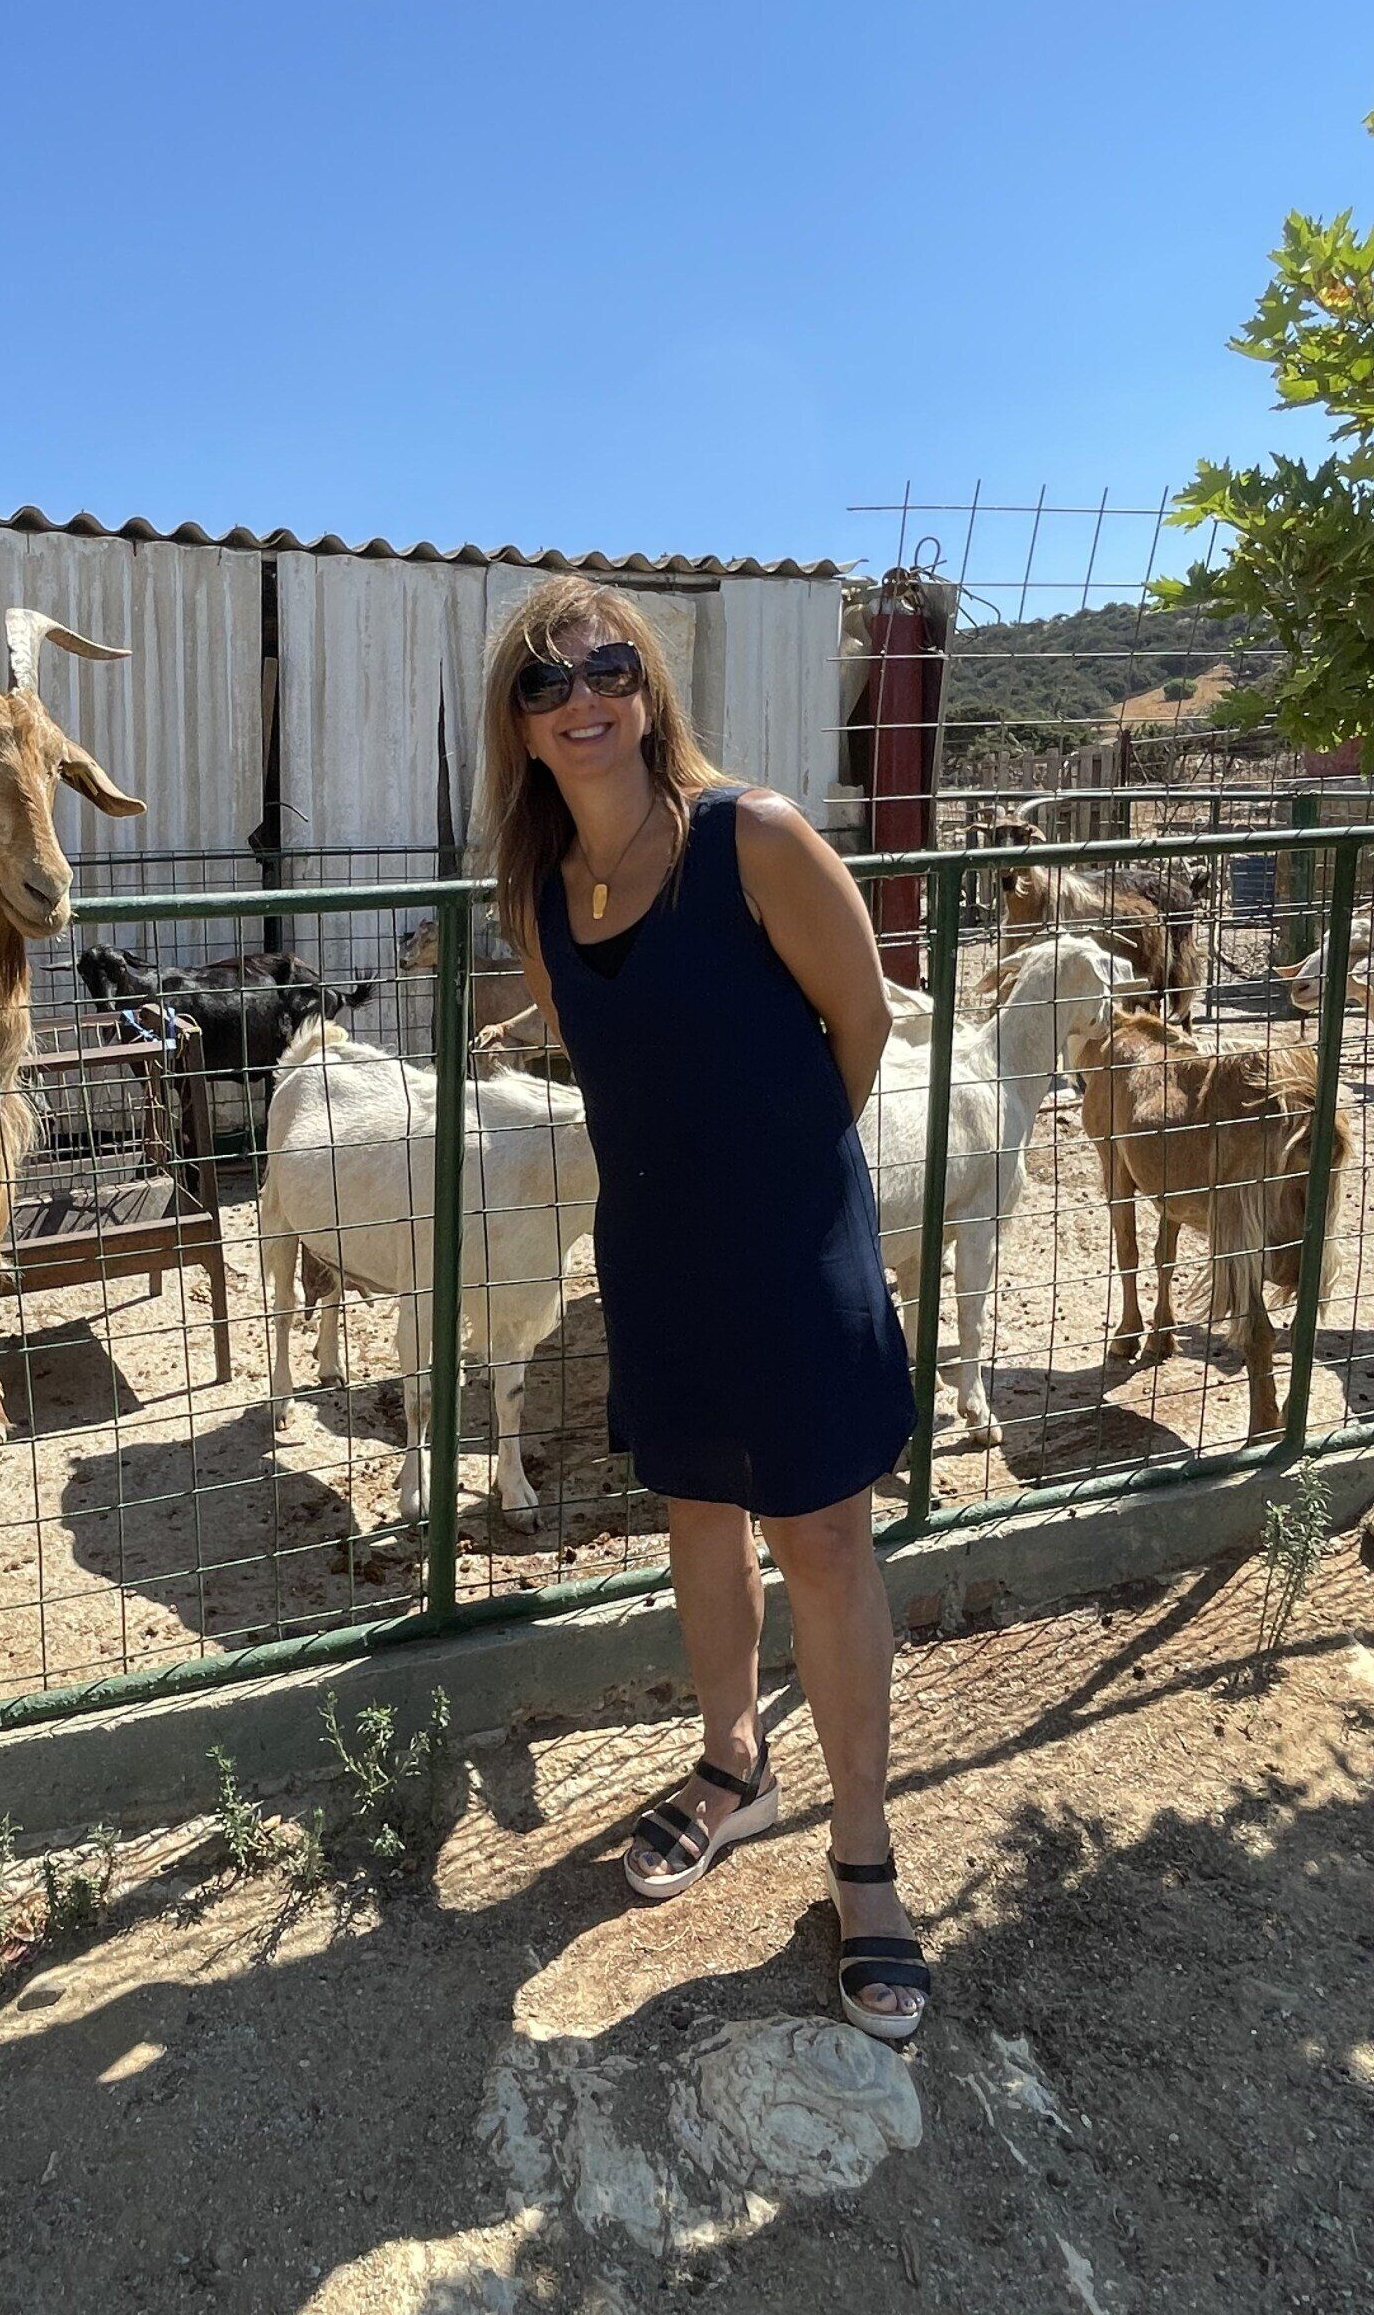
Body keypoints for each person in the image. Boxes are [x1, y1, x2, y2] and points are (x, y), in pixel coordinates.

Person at [483, 574, 929, 2039]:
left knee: (821, 1527)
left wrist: (787, 1179)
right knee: (694, 1507)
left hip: (792, 1232)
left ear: (649, 687)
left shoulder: (756, 837)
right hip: (656, 1250)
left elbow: (859, 1022)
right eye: (547, 685)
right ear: (523, 730)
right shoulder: (544, 899)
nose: (582, 697)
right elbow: (618, 1069)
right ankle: (733, 1764)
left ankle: (862, 1856)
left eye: (608, 665)